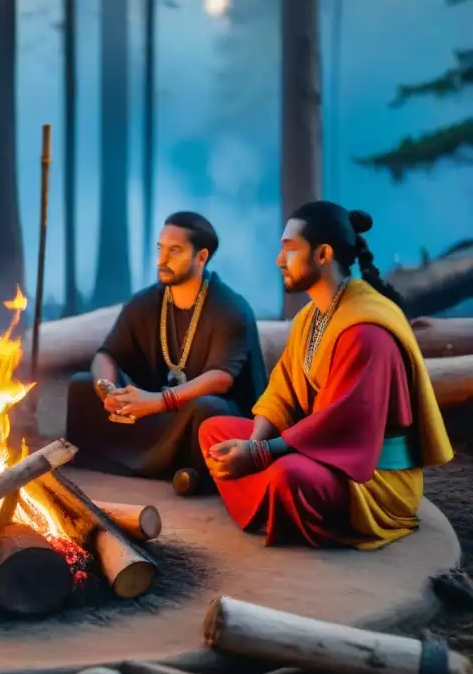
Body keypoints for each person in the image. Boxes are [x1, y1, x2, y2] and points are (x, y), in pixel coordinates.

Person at [199, 201, 453, 549]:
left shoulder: (365, 331)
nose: (278, 260)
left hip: (368, 476)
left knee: (288, 477)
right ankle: (274, 504)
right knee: (214, 431)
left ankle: (276, 501)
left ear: (322, 254)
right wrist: (256, 443)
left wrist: (260, 455)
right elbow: (281, 392)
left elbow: (340, 424)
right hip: (313, 448)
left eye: (289, 249)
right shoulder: (310, 316)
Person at [66, 212, 267, 494]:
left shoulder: (230, 308)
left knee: (208, 409)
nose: (162, 260)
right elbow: (107, 355)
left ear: (201, 257)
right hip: (159, 414)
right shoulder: (147, 302)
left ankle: (192, 473)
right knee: (81, 385)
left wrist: (159, 401)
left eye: (175, 251)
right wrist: (107, 390)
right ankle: (156, 468)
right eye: (160, 248)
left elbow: (221, 379)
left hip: (212, 415)